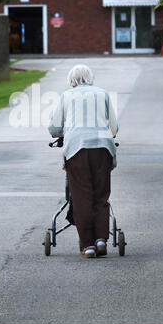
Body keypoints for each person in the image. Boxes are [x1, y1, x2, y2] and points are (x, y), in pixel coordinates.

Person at [48, 65, 118, 259]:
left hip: (77, 149)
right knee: (101, 195)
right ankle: (102, 240)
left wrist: (65, 132)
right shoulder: (102, 94)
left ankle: (88, 245)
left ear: (71, 79)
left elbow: (54, 128)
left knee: (81, 196)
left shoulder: (66, 96)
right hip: (102, 148)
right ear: (90, 77)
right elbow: (114, 126)